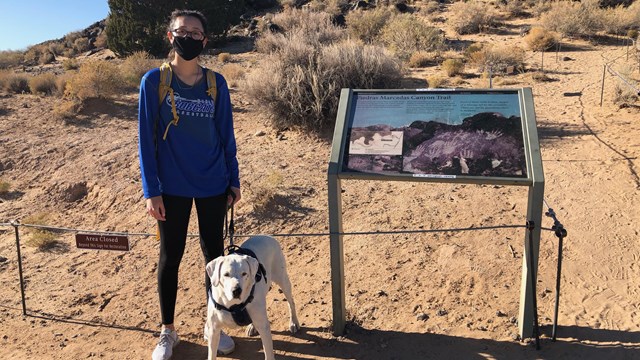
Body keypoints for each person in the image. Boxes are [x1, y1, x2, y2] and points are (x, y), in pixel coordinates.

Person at [137, 9, 241, 360]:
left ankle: (214, 324)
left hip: (213, 183)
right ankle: (168, 331)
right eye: (183, 32)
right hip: (172, 187)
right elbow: (145, 141)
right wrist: (151, 189)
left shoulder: (217, 83)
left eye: (196, 33)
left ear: (205, 40)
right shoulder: (154, 82)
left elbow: (227, 136)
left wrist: (234, 180)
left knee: (214, 255)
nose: (190, 38)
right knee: (171, 257)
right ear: (171, 36)